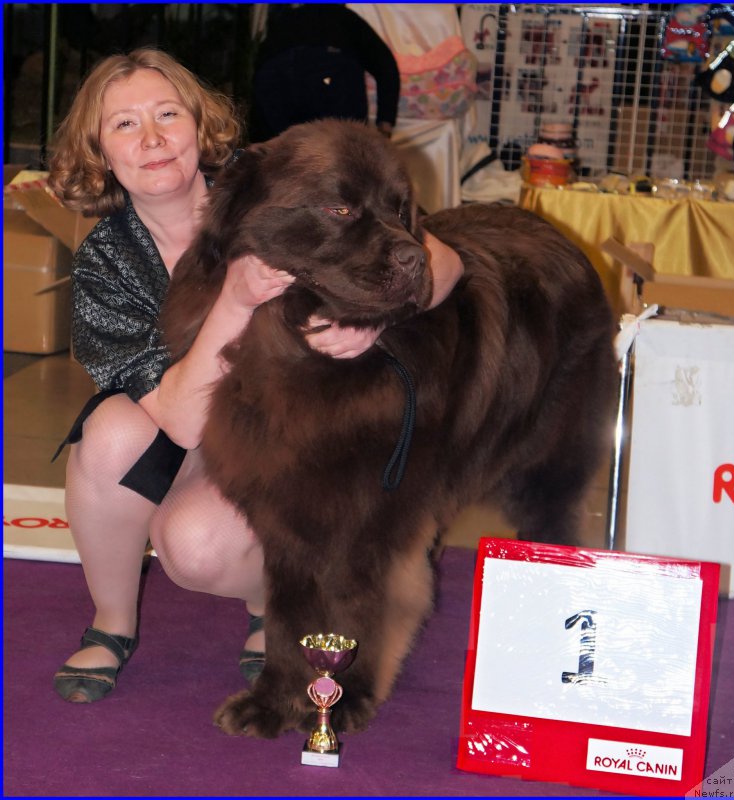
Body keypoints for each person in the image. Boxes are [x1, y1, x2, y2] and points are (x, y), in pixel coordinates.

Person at [46, 48, 463, 704]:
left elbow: (444, 259)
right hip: (192, 430)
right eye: (124, 124)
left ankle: (279, 602)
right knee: (107, 435)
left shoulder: (273, 181)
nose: (151, 138)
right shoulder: (105, 260)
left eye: (167, 114)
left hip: (298, 437)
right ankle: (112, 623)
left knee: (195, 548)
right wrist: (235, 301)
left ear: (199, 123)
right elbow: (179, 422)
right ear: (99, 152)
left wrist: (378, 318)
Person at [250, 3, 400, 141]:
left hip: (273, 76)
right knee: (344, 150)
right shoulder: (343, 17)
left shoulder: (284, 20)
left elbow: (259, 71)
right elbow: (386, 66)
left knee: (277, 152)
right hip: (327, 67)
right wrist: (385, 125)